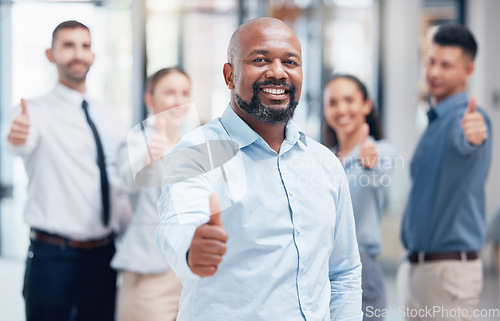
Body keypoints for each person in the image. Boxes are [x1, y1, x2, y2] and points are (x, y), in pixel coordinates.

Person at [155, 17, 362, 321]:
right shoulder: (196, 152)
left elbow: (343, 272)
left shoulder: (325, 163)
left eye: (290, 62)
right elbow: (177, 221)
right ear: (230, 75)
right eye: (261, 59)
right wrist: (191, 248)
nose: (278, 72)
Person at [5, 20, 129, 321]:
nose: (78, 54)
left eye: (85, 46)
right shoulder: (31, 112)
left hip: (104, 255)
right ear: (51, 54)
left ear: (93, 55)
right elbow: (16, 144)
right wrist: (15, 137)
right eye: (68, 45)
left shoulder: (109, 115)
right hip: (54, 258)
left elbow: (121, 179)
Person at [398, 24, 492, 321]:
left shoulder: (467, 119)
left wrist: (473, 137)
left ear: (468, 70)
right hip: (420, 269)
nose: (434, 72)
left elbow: (469, 141)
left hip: (448, 274)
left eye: (446, 65)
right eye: (431, 61)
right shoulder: (434, 120)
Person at [111, 67, 193, 321]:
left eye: (184, 93)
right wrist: (149, 158)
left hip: (190, 275)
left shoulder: (194, 145)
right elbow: (127, 179)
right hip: (150, 275)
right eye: (169, 92)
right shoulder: (137, 142)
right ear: (150, 99)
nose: (178, 100)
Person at [323, 74, 396, 321]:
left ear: (366, 105)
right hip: (322, 269)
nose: (341, 108)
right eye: (333, 103)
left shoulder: (380, 152)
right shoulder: (325, 159)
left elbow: (378, 177)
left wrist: (370, 167)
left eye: (349, 100)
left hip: (361, 267)